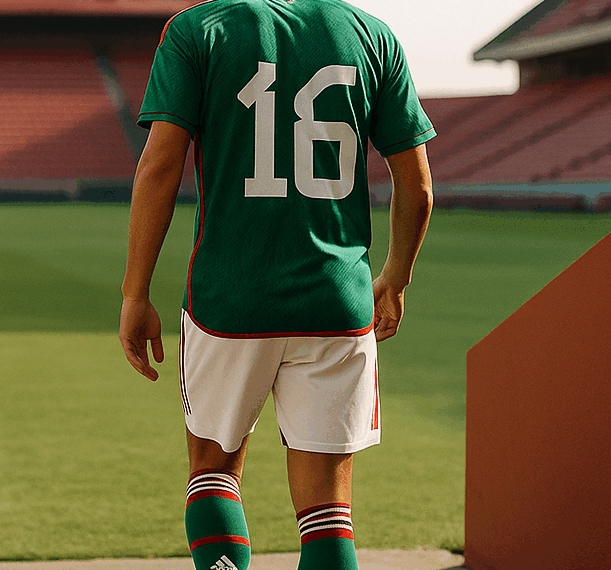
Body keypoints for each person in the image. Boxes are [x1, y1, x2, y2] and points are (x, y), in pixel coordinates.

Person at [118, 2, 435, 570]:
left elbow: (158, 167)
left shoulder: (197, 29)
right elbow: (417, 186)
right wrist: (397, 277)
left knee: (213, 475)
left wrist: (135, 295)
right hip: (336, 302)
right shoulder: (372, 35)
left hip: (230, 300)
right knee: (329, 516)